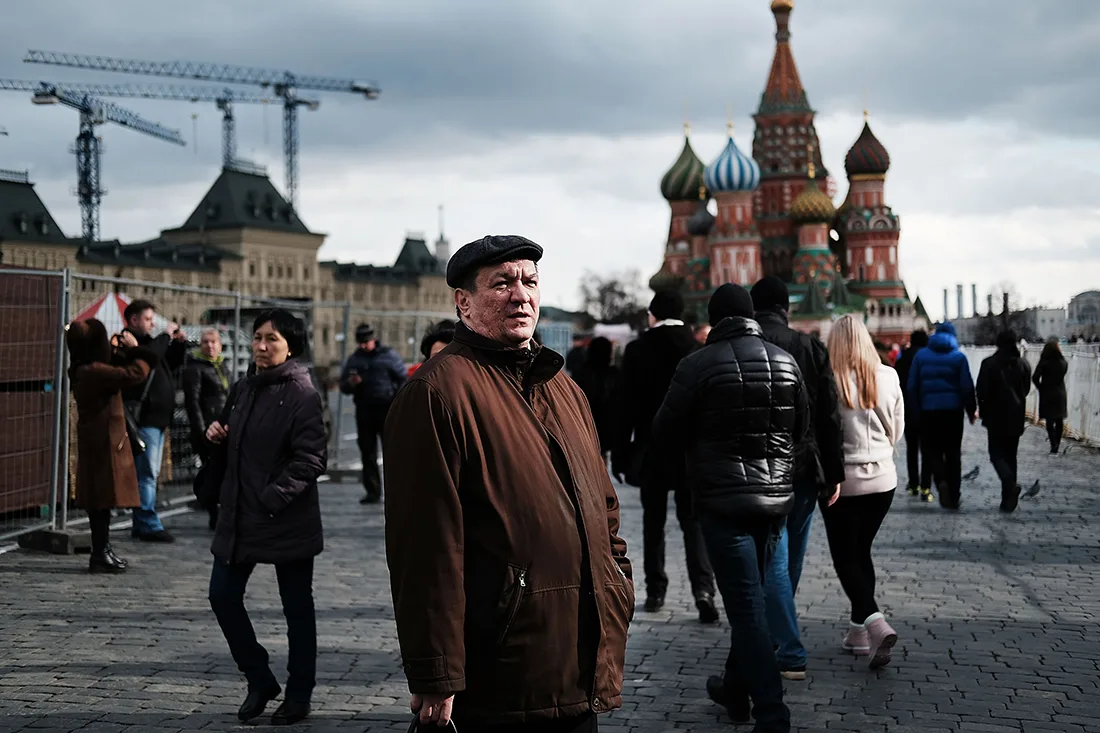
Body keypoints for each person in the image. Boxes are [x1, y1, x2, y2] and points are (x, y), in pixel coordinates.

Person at [384, 235, 633, 732]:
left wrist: (616, 585)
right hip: (503, 669)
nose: (521, 295)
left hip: (580, 663)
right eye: (502, 284)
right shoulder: (436, 392)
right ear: (464, 301)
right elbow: (426, 549)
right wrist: (436, 672)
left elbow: (604, 509)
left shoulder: (563, 387)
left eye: (530, 282)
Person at [652, 283, 808, 732]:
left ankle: (773, 715)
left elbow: (666, 431)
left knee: (746, 610)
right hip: (774, 502)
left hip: (722, 504)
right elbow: (801, 429)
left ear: (715, 319)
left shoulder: (697, 364)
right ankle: (734, 689)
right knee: (751, 601)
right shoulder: (785, 362)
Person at [203, 309, 327, 726]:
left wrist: (273, 496)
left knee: (297, 608)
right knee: (221, 595)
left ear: (290, 345)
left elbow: (311, 458)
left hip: (284, 516)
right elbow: (230, 436)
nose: (260, 346)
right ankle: (259, 678)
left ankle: (299, 694)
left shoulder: (302, 393)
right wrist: (217, 434)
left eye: (271, 339)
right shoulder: (243, 387)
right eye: (257, 337)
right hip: (239, 515)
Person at [750, 276, 845, 681]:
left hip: (764, 468)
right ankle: (781, 636)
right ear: (786, 307)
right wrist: (834, 473)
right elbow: (828, 414)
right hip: (807, 468)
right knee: (789, 557)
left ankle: (785, 645)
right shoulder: (811, 346)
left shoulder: (748, 348)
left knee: (773, 557)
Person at [612, 290, 717, 622]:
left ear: (652, 314)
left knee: (653, 522)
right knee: (693, 522)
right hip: (691, 452)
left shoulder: (637, 350)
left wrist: (619, 454)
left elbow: (624, 405)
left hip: (651, 449)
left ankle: (656, 590)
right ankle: (703, 589)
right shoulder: (697, 349)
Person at [821, 315, 904, 669]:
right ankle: (858, 634)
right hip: (883, 479)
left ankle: (873, 620)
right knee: (861, 552)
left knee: (845, 557)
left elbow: (823, 433)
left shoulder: (828, 379)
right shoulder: (888, 375)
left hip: (842, 482)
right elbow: (897, 429)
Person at [66, 319, 157, 574]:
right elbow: (134, 374)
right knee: (102, 497)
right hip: (103, 440)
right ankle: (100, 552)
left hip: (99, 438)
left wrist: (117, 349)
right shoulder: (92, 371)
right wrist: (136, 350)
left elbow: (113, 365)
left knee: (101, 499)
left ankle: (102, 550)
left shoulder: (84, 368)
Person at [121, 299, 188, 542]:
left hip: (158, 420)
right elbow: (149, 358)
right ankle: (148, 522)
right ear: (134, 320)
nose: (152, 324)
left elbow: (168, 364)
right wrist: (165, 336)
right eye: (148, 319)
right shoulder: (126, 342)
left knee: (150, 473)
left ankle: (142, 521)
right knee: (147, 474)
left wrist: (178, 345)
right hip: (145, 418)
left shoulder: (150, 344)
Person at [906, 322, 977, 510]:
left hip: (928, 412)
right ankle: (954, 495)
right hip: (953, 413)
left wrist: (915, 410)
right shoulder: (959, 357)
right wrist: (971, 410)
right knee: (953, 453)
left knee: (932, 451)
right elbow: (966, 386)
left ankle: (941, 482)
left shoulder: (921, 356)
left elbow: (912, 386)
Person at [339, 323, 406, 504]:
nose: (363, 346)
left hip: (387, 410)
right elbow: (344, 386)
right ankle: (373, 491)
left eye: (366, 342)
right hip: (365, 411)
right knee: (367, 454)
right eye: (360, 343)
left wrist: (397, 399)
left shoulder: (388, 355)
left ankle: (397, 491)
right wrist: (352, 383)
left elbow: (403, 379)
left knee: (393, 453)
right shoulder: (355, 359)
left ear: (373, 340)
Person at [976, 330, 1037, 512]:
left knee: (996, 454)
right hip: (1016, 414)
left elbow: (981, 390)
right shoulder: (1023, 364)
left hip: (995, 415)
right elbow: (1025, 389)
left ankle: (1009, 483)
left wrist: (984, 409)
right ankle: (1007, 499)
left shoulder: (989, 364)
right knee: (1011, 456)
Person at [182, 328, 230, 530]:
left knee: (224, 470)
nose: (209, 346)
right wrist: (201, 431)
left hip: (223, 426)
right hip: (207, 426)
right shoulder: (195, 368)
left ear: (219, 345)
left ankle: (222, 512)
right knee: (212, 471)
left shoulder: (220, 365)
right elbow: (192, 402)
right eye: (205, 342)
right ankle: (214, 514)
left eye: (213, 342)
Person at [893, 330, 932, 500]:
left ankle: (913, 483)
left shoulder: (903, 359)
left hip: (908, 410)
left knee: (912, 449)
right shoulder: (929, 359)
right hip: (928, 410)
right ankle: (926, 486)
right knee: (927, 449)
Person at [572, 336, 620, 462]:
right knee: (602, 454)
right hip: (607, 423)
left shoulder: (582, 372)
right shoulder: (615, 374)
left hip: (586, 422)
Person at [1033, 338, 1069, 455]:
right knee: (1059, 420)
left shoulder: (1044, 362)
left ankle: (1053, 444)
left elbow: (1035, 377)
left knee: (1049, 420)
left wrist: (1041, 387)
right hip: (1060, 393)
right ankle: (1057, 443)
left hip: (1047, 393)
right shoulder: (1063, 362)